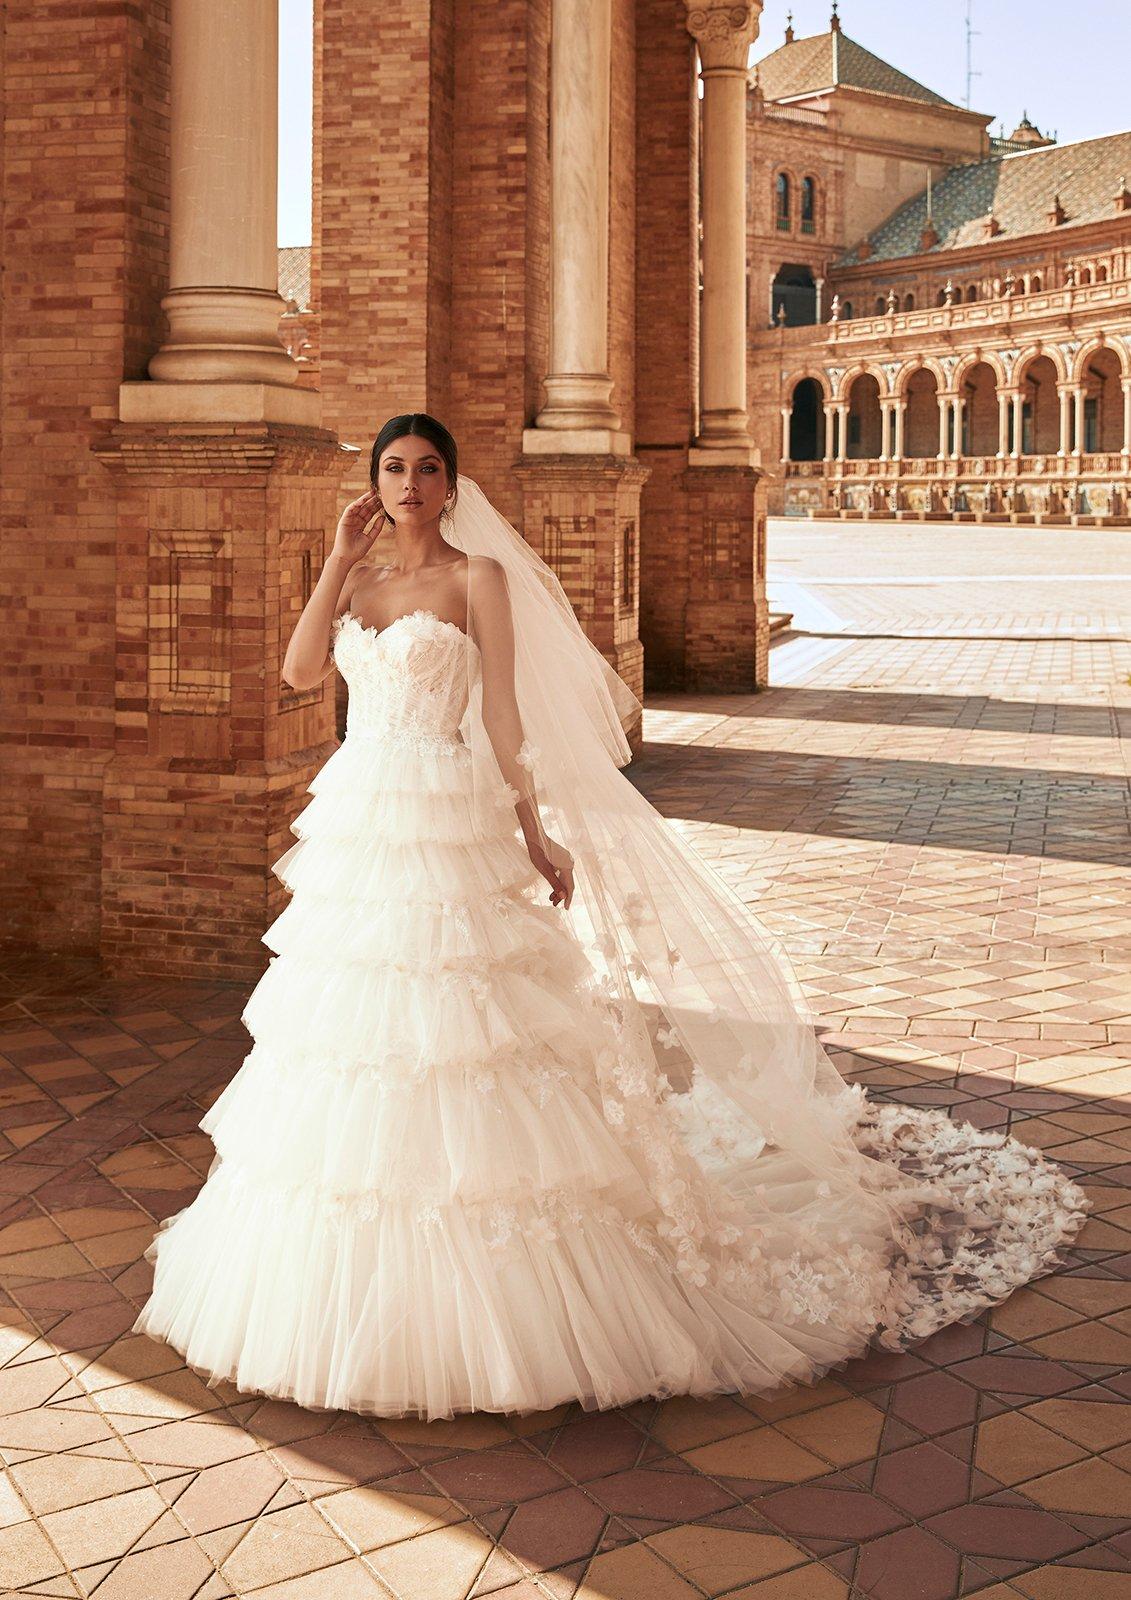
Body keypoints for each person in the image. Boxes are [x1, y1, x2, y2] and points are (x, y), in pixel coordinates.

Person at [132, 413, 1090, 1421]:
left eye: (427, 470)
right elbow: (295, 675)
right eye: (394, 470)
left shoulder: (476, 580)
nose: (410, 485)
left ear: (453, 486)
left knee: (470, 1035)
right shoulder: (361, 582)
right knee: (352, 1039)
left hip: (448, 817)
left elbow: (502, 715)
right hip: (364, 820)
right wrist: (334, 561)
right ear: (373, 483)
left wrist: (534, 831)